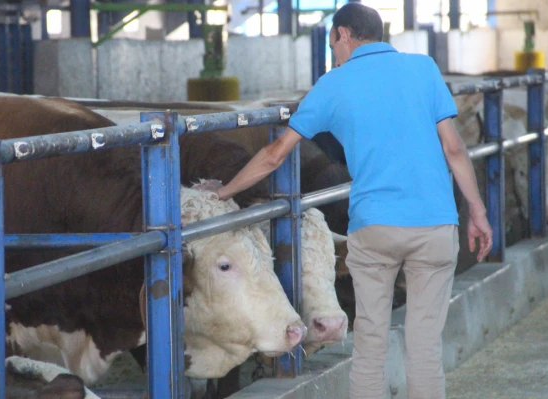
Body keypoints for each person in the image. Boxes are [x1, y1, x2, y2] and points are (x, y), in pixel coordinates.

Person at [198, 3, 493, 399]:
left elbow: (274, 155)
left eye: (332, 42)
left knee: (370, 343)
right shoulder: (423, 68)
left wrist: (223, 192)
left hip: (375, 228)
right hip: (435, 226)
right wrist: (477, 211)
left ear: (343, 35)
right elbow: (454, 148)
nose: (333, 51)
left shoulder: (333, 84)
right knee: (424, 347)